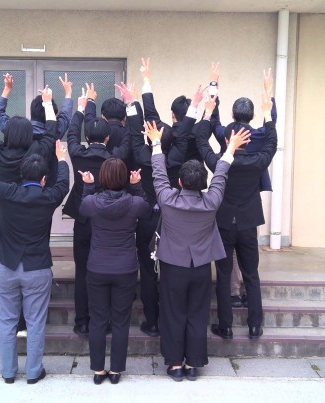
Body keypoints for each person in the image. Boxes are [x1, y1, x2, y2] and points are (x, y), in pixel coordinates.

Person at [144, 95, 251, 382]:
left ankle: (175, 364)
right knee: (197, 314)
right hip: (201, 266)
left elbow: (158, 173)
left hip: (173, 266)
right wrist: (230, 148)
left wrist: (156, 143)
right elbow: (221, 174)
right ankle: (193, 363)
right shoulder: (211, 201)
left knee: (173, 313)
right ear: (203, 182)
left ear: (179, 181)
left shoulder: (168, 200)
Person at [0, 86, 70, 385]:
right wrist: (62, 160)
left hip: (5, 263)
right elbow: (62, 181)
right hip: (37, 266)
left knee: (6, 323)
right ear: (43, 177)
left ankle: (7, 372)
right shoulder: (48, 196)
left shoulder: (2, 191)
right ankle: (33, 372)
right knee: (36, 322)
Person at [0, 89, 57, 337]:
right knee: (33, 256)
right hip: (34, 208)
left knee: (6, 258)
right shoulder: (36, 152)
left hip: (4, 210)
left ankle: (10, 324)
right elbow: (51, 131)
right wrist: (48, 104)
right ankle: (29, 323)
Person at [197, 76, 277, 341]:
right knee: (251, 274)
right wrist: (268, 110)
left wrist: (209, 105)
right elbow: (272, 141)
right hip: (248, 222)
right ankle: (255, 326)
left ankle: (226, 327)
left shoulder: (219, 161)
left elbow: (203, 140)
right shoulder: (259, 160)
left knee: (223, 274)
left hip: (223, 222)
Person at [128, 58, 193, 337]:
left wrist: (134, 101)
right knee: (170, 269)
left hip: (146, 219)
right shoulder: (176, 156)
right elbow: (183, 132)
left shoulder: (143, 155)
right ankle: (170, 320)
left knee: (147, 269)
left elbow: (136, 132)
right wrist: (196, 106)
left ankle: (152, 321)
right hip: (172, 219)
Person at [62, 87, 131, 337]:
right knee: (106, 269)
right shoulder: (115, 158)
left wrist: (83, 106)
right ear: (108, 138)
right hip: (107, 220)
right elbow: (130, 137)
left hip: (83, 219)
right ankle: (106, 321)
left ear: (87, 137)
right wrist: (131, 105)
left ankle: (82, 321)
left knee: (82, 270)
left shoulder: (76, 153)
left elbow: (72, 132)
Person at [78, 157, 149, 385]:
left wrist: (88, 185)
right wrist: (137, 186)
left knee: (98, 320)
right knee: (121, 321)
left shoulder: (92, 202)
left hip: (97, 266)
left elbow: (83, 207)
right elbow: (146, 208)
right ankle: (116, 369)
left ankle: (98, 370)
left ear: (103, 177)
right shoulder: (134, 203)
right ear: (124, 178)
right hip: (125, 268)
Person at [0, 72, 73, 187]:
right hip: (43, 191)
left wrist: (7, 89)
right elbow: (65, 116)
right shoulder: (54, 133)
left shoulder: (14, 131)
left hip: (13, 190)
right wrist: (68, 93)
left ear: (32, 111)